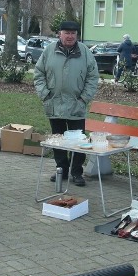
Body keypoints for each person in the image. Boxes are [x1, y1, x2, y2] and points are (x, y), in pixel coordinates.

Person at [33, 20, 99, 187]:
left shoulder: (85, 52)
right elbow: (38, 73)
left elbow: (92, 77)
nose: (70, 36)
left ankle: (76, 172)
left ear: (77, 35)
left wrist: (84, 98)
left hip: (77, 104)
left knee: (78, 141)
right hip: (54, 103)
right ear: (59, 34)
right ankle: (61, 169)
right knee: (58, 139)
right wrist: (45, 95)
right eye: (66, 33)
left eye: (73, 33)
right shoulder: (49, 51)